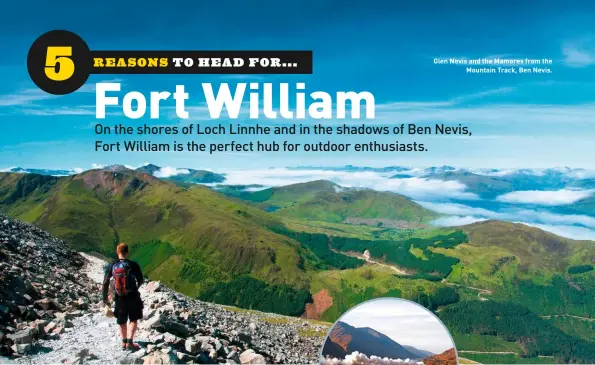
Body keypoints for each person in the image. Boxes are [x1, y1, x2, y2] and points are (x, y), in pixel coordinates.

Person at [102, 243, 145, 351]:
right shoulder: (133, 265)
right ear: (127, 252)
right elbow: (140, 279)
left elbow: (106, 281)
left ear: (117, 252)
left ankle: (123, 342)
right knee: (133, 319)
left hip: (119, 297)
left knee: (121, 320)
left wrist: (105, 298)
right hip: (133, 296)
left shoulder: (112, 265)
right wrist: (135, 288)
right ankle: (130, 342)